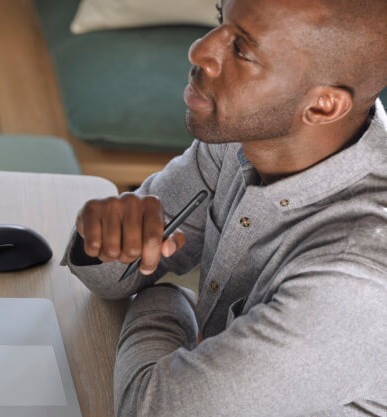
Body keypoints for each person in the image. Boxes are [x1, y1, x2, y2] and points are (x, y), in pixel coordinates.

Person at [61, 0, 386, 415]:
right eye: (220, 19)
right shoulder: (247, 137)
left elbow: (154, 410)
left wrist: (163, 302)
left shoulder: (356, 283)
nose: (199, 50)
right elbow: (114, 278)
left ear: (323, 105)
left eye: (242, 50)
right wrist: (100, 234)